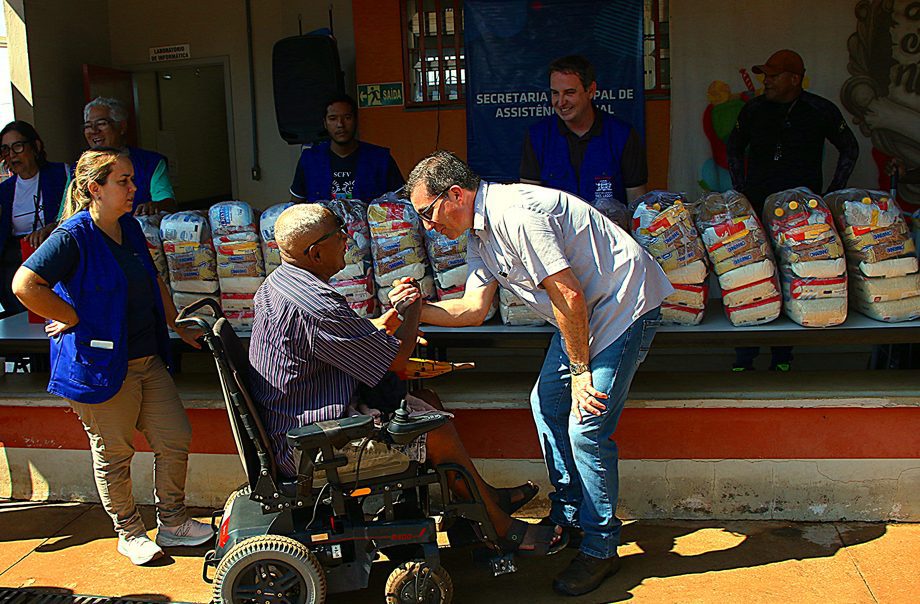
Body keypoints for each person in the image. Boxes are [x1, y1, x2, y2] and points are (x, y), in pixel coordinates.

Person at [405, 151, 673, 596]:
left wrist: (581, 372)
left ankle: (601, 547)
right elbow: (472, 309)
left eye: (427, 213)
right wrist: (414, 309)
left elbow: (567, 294)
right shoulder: (480, 235)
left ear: (455, 195)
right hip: (581, 315)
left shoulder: (516, 214)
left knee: (587, 426)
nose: (427, 226)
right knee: (546, 403)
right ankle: (568, 515)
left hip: (622, 306)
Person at [247, 203, 561, 557]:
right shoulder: (316, 304)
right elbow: (395, 362)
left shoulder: (281, 284)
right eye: (339, 234)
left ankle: (479, 503)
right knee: (435, 428)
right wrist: (414, 312)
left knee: (428, 401)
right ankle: (503, 530)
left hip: (301, 424)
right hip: (313, 447)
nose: (348, 240)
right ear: (316, 253)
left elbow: (358, 336)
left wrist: (396, 313)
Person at [11, 148, 212, 566]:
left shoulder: (129, 227)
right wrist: (70, 316)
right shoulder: (72, 236)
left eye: (132, 179)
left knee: (174, 437)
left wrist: (176, 324)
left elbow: (153, 279)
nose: (134, 188)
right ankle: (130, 532)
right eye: (124, 181)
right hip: (101, 368)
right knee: (115, 453)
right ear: (94, 188)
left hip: (146, 359)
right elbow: (24, 284)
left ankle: (173, 522)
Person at [727, 49, 860, 372]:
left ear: (795, 79)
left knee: (797, 276)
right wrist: (742, 192)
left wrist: (831, 195)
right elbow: (733, 147)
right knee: (751, 277)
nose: (766, 81)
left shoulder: (819, 109)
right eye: (765, 75)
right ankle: (744, 357)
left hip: (802, 216)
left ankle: (782, 357)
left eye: (774, 76)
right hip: (758, 208)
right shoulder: (754, 109)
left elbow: (850, 148)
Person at [520, 55, 648, 207]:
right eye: (555, 93)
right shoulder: (538, 136)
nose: (561, 102)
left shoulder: (622, 135)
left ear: (591, 90)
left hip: (608, 222)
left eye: (569, 92)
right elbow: (528, 203)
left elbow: (637, 203)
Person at [0, 121, 70, 317]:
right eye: (6, 149)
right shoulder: (5, 190)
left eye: (18, 146)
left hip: (53, 248)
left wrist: (53, 228)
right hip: (17, 257)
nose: (12, 154)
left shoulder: (62, 174)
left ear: (35, 146)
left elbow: (75, 214)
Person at [289, 94, 404, 202]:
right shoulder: (310, 160)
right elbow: (295, 205)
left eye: (347, 117)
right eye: (333, 118)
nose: (340, 124)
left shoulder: (380, 158)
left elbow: (402, 202)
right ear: (325, 123)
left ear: (356, 120)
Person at [83, 97, 176, 215]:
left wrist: (156, 206)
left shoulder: (150, 163)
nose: (94, 131)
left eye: (101, 124)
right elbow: (67, 212)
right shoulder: (78, 169)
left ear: (122, 126)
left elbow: (168, 204)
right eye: (88, 126)